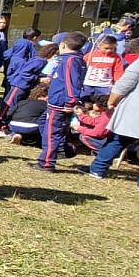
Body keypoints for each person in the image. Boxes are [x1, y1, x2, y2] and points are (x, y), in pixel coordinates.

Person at [85, 38, 139, 192]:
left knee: (117, 141)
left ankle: (97, 169)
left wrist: (111, 102)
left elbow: (123, 85)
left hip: (136, 110)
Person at [34, 32, 87, 172]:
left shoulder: (70, 61)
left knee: (51, 133)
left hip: (60, 103)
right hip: (57, 100)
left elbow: (71, 83)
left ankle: (47, 163)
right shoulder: (75, 59)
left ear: (63, 45)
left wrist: (70, 102)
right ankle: (52, 153)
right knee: (44, 124)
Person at [0, 42, 57, 132]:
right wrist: (39, 79)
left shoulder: (41, 61)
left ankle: (5, 124)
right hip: (19, 85)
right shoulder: (39, 61)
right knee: (9, 105)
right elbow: (24, 73)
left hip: (25, 87)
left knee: (15, 105)